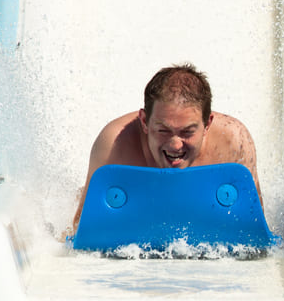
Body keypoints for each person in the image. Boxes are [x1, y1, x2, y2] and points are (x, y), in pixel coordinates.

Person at [73, 63, 262, 228]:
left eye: (187, 132)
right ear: (145, 121)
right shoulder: (114, 145)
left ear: (208, 124)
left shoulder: (233, 141)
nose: (175, 145)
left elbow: (256, 226)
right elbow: (80, 229)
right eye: (163, 131)